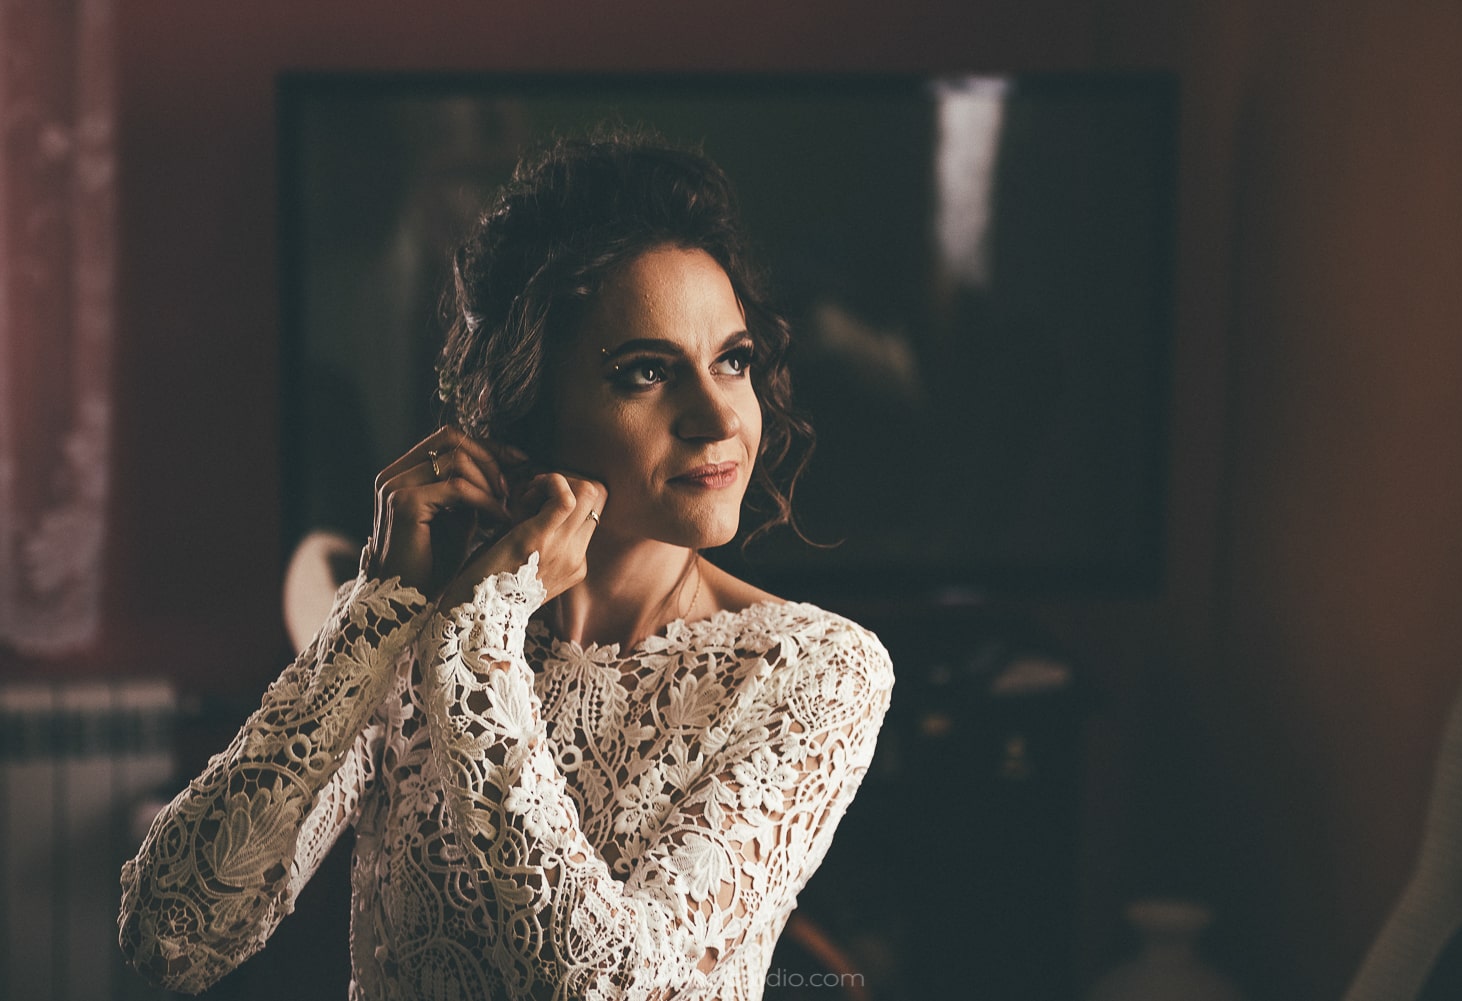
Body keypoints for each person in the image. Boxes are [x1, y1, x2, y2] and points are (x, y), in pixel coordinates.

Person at [118, 134, 895, 1001]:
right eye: (647, 371)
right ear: (531, 403)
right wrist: (382, 608)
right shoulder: (419, 628)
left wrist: (475, 643)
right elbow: (172, 934)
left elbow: (619, 988)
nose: (719, 418)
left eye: (733, 360)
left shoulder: (817, 671)